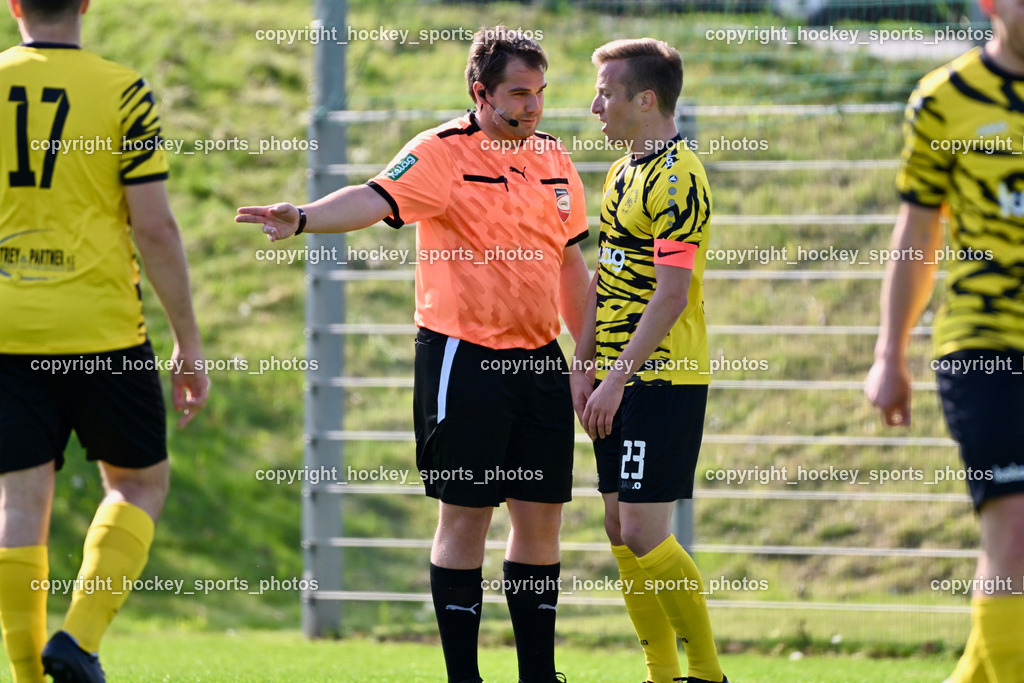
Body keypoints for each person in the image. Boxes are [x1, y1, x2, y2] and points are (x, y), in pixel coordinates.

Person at [236, 26, 589, 683]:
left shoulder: (554, 157)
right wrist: (305, 216)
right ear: (480, 92)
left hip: (540, 360)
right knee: (468, 517)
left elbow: (571, 264)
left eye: (541, 92)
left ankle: (539, 675)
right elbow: (371, 198)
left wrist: (586, 355)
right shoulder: (439, 152)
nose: (534, 105)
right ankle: (464, 677)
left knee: (541, 519)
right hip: (465, 356)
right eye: (519, 92)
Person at [0, 0, 209, 681]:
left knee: (19, 500)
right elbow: (153, 226)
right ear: (86, 3)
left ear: (11, 7)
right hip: (102, 329)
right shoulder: (122, 90)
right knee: (140, 482)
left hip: (7, 329)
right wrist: (188, 341)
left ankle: (31, 677)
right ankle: (78, 640)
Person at [865, 1, 1024, 680]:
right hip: (986, 346)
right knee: (1014, 530)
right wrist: (888, 353)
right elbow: (917, 236)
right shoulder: (943, 99)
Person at [571, 38, 727, 683]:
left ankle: (708, 673)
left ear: (646, 99)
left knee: (641, 528)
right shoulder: (622, 171)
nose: (594, 106)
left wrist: (615, 377)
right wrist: (582, 363)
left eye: (606, 93)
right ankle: (660, 673)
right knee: (616, 526)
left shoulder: (680, 174)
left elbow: (671, 293)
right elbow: (607, 280)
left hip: (660, 376)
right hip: (614, 374)